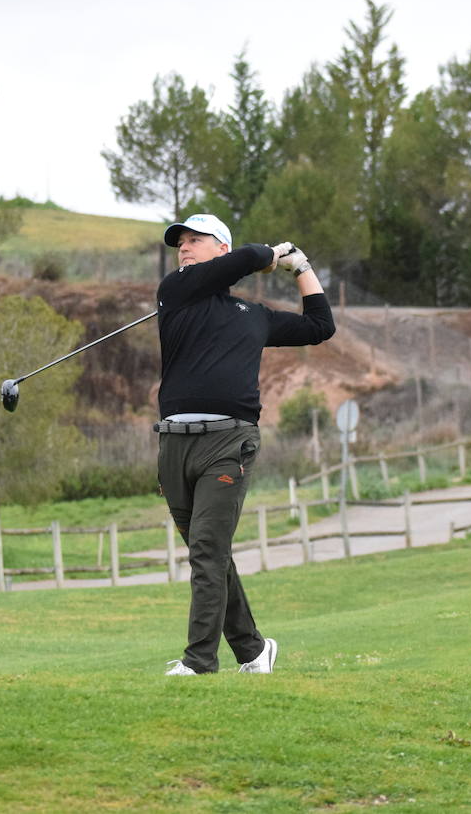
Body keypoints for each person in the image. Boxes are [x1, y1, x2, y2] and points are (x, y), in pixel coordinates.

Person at [155, 213, 335, 676]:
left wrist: (300, 267)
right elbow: (254, 257)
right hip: (174, 445)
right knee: (208, 551)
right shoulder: (173, 293)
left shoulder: (252, 317)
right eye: (181, 242)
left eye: (196, 240)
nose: (185, 248)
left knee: (207, 552)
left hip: (229, 442)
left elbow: (319, 326)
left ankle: (199, 662)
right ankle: (255, 652)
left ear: (221, 248)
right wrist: (273, 254)